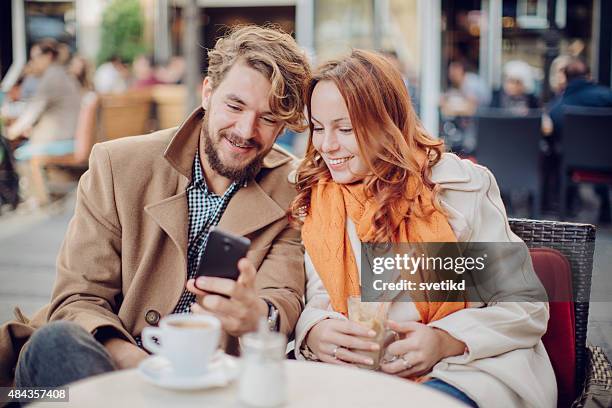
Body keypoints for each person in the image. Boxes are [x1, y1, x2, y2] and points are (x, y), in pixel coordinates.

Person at [0, 25, 311, 388]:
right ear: (208, 93)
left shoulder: (292, 188)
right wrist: (138, 365)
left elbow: (283, 298)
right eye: (235, 105)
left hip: (205, 379)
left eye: (269, 118)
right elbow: (78, 298)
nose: (245, 129)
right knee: (56, 343)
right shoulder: (118, 165)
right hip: (102, 360)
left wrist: (255, 315)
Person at [291, 50, 556, 408]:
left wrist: (445, 339)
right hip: (359, 376)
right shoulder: (322, 200)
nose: (327, 146)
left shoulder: (458, 189)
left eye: (346, 128)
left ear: (387, 122)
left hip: (464, 370)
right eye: (318, 128)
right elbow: (317, 298)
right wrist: (316, 330)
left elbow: (523, 306)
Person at [5, 38, 82, 205]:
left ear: (47, 56)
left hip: (61, 137)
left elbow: (33, 110)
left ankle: (38, 199)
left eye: (35, 57)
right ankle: (47, 195)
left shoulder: (51, 77)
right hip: (71, 133)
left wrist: (12, 132)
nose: (33, 62)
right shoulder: (63, 74)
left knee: (20, 153)